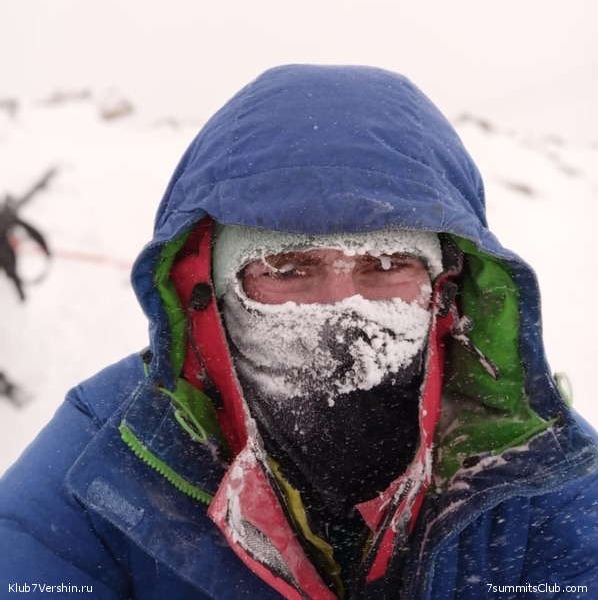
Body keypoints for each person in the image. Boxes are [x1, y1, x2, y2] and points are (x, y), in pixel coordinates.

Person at [0, 64, 596, 599]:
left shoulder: (536, 470)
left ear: (444, 290)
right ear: (210, 294)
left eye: (388, 264)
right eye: (287, 269)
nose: (341, 307)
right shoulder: (110, 459)